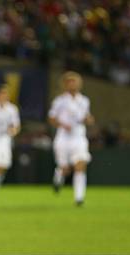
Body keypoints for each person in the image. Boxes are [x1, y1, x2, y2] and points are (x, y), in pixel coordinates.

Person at [49, 71, 95, 206]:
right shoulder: (59, 101)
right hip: (63, 137)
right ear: (64, 84)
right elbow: (52, 118)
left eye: (74, 81)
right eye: (69, 82)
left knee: (80, 165)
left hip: (79, 137)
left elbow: (88, 118)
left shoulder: (84, 100)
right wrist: (63, 125)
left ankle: (79, 198)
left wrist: (89, 120)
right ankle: (58, 177)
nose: (72, 84)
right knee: (65, 168)